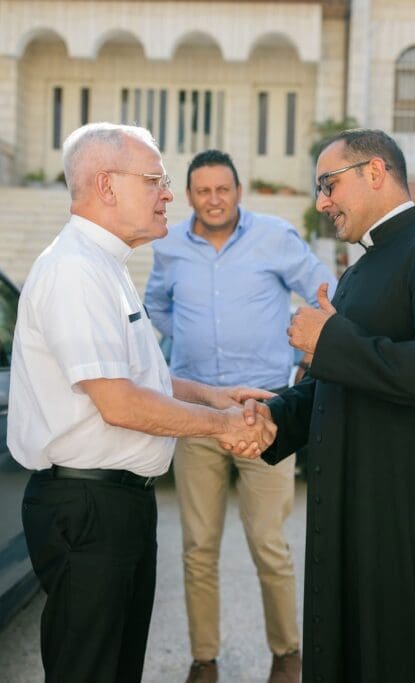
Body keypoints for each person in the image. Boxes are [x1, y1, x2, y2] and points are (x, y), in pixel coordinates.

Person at [7, 123, 276, 683]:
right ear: (106, 185)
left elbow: (140, 377)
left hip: (116, 504)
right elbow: (120, 403)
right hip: (89, 507)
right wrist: (223, 424)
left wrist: (211, 395)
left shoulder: (105, 265)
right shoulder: (75, 270)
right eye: (155, 180)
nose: (169, 195)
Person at [251, 129, 415, 682]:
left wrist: (329, 340)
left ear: (375, 172)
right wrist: (272, 418)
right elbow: (341, 382)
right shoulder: (358, 272)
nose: (322, 202)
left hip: (407, 515)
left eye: (328, 185)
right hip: (357, 506)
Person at [145, 149, 337, 683]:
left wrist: (309, 352)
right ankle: (204, 659)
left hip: (265, 413)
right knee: (197, 547)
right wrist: (188, 335)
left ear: (238, 191)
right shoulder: (169, 247)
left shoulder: (275, 237)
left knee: (269, 544)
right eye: (203, 191)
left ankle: (287, 654)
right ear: (189, 196)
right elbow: (155, 305)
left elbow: (326, 292)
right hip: (195, 413)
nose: (214, 200)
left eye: (222, 189)